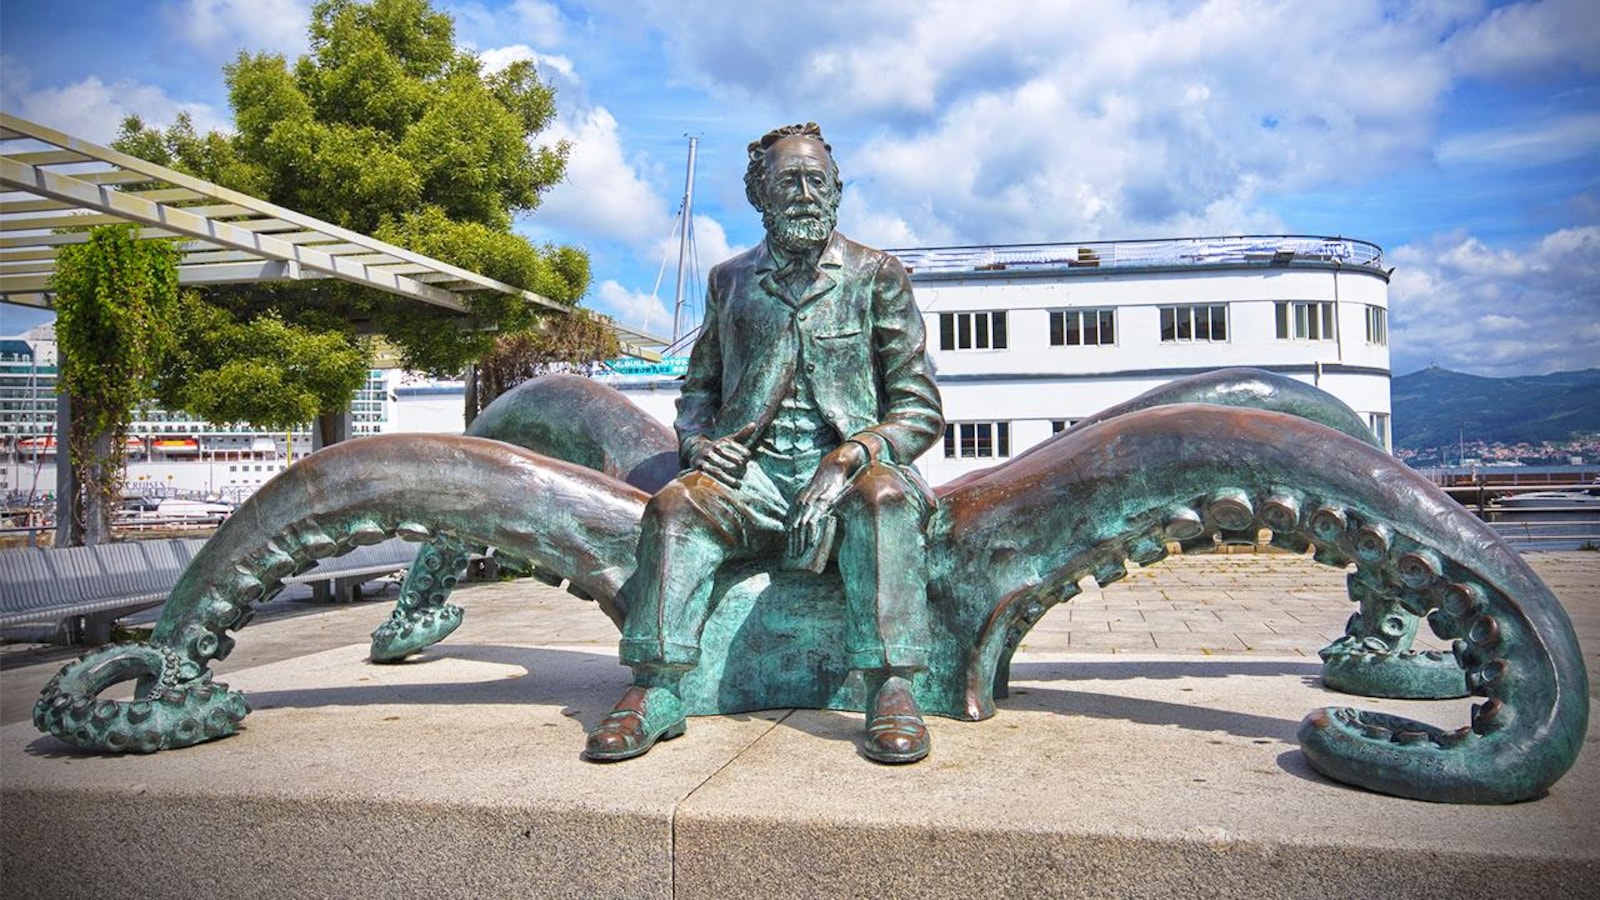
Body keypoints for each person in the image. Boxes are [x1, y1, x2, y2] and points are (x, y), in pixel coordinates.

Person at [584, 123, 945, 764]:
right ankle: (657, 687)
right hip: (753, 475)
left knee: (884, 501)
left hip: (850, 473)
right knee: (675, 508)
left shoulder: (877, 275)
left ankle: (891, 686)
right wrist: (696, 446)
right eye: (788, 182)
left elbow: (918, 410)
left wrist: (850, 456)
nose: (805, 194)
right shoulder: (730, 281)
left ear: (837, 191)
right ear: (760, 195)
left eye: (818, 181)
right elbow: (698, 391)